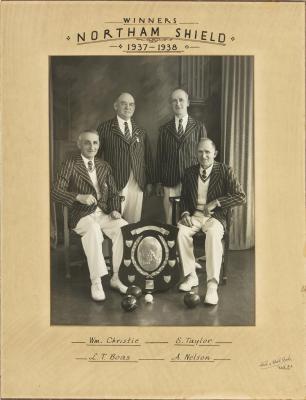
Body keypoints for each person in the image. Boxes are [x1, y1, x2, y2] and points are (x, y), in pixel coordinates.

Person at [51, 130, 128, 302]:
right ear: (80, 145)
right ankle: (97, 281)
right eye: (87, 142)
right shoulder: (70, 164)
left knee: (123, 228)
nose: (91, 146)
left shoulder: (104, 166)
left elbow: (114, 193)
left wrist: (115, 209)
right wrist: (78, 197)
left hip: (103, 212)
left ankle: (117, 277)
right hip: (80, 214)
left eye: (95, 143)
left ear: (99, 145)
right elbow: (55, 191)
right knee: (93, 230)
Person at [177, 138, 246, 305]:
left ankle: (212, 285)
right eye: (200, 152)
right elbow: (185, 198)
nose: (204, 156)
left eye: (207, 152)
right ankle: (191, 276)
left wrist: (217, 202)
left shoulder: (224, 171)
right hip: (195, 216)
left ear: (214, 154)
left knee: (214, 234)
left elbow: (240, 196)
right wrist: (185, 213)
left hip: (215, 217)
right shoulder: (189, 172)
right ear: (196, 153)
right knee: (181, 231)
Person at [97, 92, 154, 223]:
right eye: (124, 104)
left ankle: (130, 244)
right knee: (115, 221)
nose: (128, 107)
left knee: (134, 223)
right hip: (114, 182)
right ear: (116, 106)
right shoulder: (105, 128)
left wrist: (150, 181)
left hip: (137, 182)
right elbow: (97, 158)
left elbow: (148, 158)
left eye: (131, 104)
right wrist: (102, 181)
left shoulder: (140, 131)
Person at [156, 88, 207, 224]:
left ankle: (184, 245)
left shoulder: (198, 127)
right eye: (174, 101)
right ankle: (172, 245)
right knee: (170, 221)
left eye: (181, 100)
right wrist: (159, 182)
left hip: (191, 180)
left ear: (188, 103)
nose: (178, 103)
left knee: (189, 221)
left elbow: (205, 156)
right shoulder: (164, 129)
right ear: (171, 104)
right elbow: (160, 157)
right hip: (169, 181)